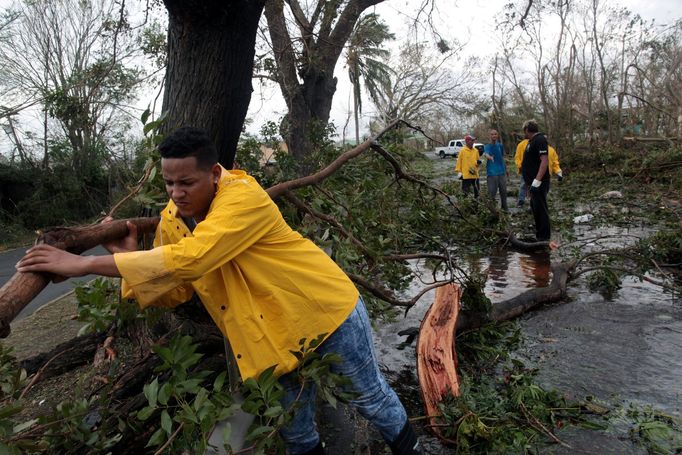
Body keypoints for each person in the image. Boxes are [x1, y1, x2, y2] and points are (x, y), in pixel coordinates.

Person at [17, 127, 421, 455]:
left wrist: (82, 265)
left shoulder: (244, 198)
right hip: (268, 338)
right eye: (169, 183)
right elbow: (175, 290)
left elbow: (192, 259)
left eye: (187, 182)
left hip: (324, 314)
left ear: (214, 174)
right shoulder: (172, 220)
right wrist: (128, 261)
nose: (176, 193)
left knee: (371, 400)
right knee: (295, 430)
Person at [520, 119, 551, 241]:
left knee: (541, 209)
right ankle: (539, 234)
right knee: (535, 208)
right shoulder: (531, 141)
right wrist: (529, 185)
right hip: (531, 183)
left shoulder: (540, 140)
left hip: (540, 182)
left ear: (527, 129)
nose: (524, 133)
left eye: (524, 131)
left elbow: (544, 161)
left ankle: (544, 238)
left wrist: (537, 181)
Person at [515, 140, 562, 206]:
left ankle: (540, 204)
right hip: (532, 172)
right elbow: (519, 157)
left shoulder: (551, 150)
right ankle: (523, 201)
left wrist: (558, 172)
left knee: (543, 190)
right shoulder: (531, 147)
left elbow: (555, 162)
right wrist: (520, 166)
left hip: (546, 174)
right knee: (526, 186)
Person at [482, 129, 508, 211]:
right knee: (492, 193)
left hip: (501, 172)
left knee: (503, 192)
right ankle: (491, 210)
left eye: (495, 134)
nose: (494, 136)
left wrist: (506, 169)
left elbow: (502, 157)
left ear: (497, 135)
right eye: (492, 134)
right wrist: (489, 157)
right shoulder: (487, 146)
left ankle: (505, 209)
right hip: (492, 173)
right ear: (490, 136)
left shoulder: (500, 145)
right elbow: (486, 154)